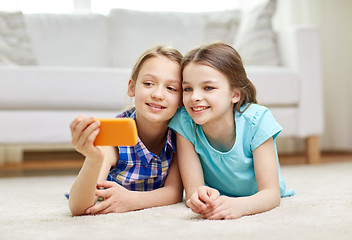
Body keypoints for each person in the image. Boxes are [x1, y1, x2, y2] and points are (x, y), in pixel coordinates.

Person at [169, 42, 294, 220]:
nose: (195, 97)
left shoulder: (257, 121)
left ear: (235, 94)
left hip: (256, 196)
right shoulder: (184, 122)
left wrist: (239, 206)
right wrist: (198, 198)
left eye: (208, 88)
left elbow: (271, 194)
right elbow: (192, 189)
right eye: (188, 89)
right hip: (218, 197)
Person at [68, 45, 184, 216]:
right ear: (132, 87)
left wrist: (132, 201)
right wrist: (93, 159)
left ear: (182, 99)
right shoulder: (114, 135)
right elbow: (78, 208)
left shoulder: (179, 135)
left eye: (171, 88)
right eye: (149, 83)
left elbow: (174, 192)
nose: (158, 94)